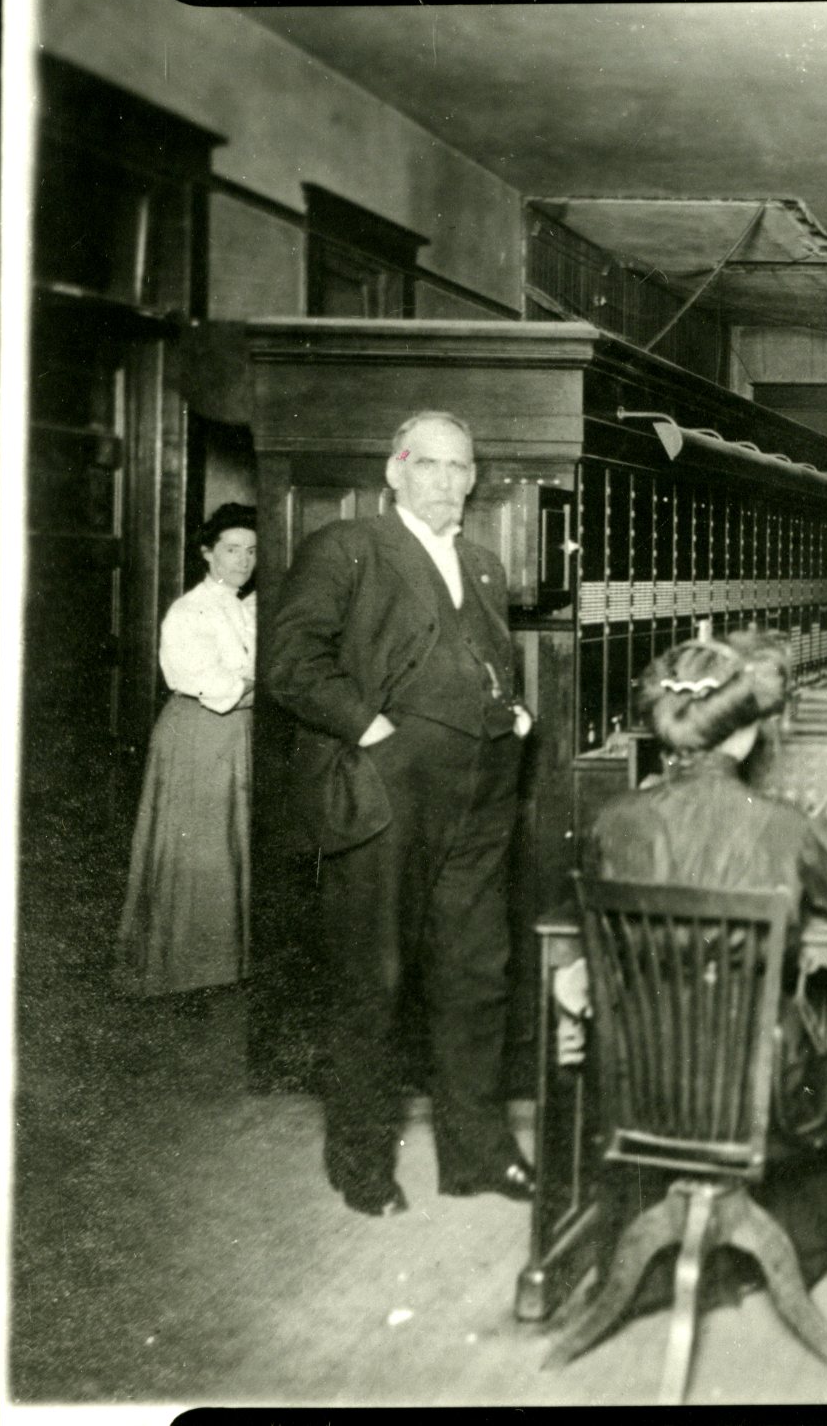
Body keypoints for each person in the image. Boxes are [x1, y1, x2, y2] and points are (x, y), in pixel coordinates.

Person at [266, 410, 535, 1218]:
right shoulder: (347, 548)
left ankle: (478, 1156)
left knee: (475, 977)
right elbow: (289, 663)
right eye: (432, 465)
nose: (449, 482)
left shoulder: (483, 564)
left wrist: (515, 714)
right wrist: (369, 727)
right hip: (387, 792)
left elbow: (487, 662)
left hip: (479, 791)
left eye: (463, 468)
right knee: (372, 981)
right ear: (395, 471)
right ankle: (361, 1163)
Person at [580, 630, 827, 1311]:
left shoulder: (612, 821)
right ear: (745, 735)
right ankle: (758, 1266)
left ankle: (666, 1260)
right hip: (764, 1104)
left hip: (639, 1094)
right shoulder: (783, 825)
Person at [115, 503, 260, 998]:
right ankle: (183, 971)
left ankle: (223, 967)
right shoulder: (190, 609)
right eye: (231, 550)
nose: (243, 560)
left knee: (228, 848)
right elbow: (217, 686)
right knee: (199, 851)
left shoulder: (247, 607)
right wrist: (267, 683)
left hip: (236, 735)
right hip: (198, 734)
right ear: (207, 553)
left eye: (251, 550)